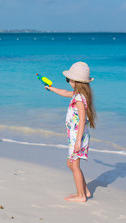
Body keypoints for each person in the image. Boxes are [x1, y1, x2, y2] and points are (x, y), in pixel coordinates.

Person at [45, 62, 97, 202]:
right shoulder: (77, 94)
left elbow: (82, 120)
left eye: (69, 80)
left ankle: (81, 196)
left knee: (75, 165)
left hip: (77, 137)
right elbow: (65, 92)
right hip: (75, 136)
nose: (68, 82)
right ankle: (84, 191)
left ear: (76, 82)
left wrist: (78, 141)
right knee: (71, 164)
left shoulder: (80, 99)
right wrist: (51, 88)